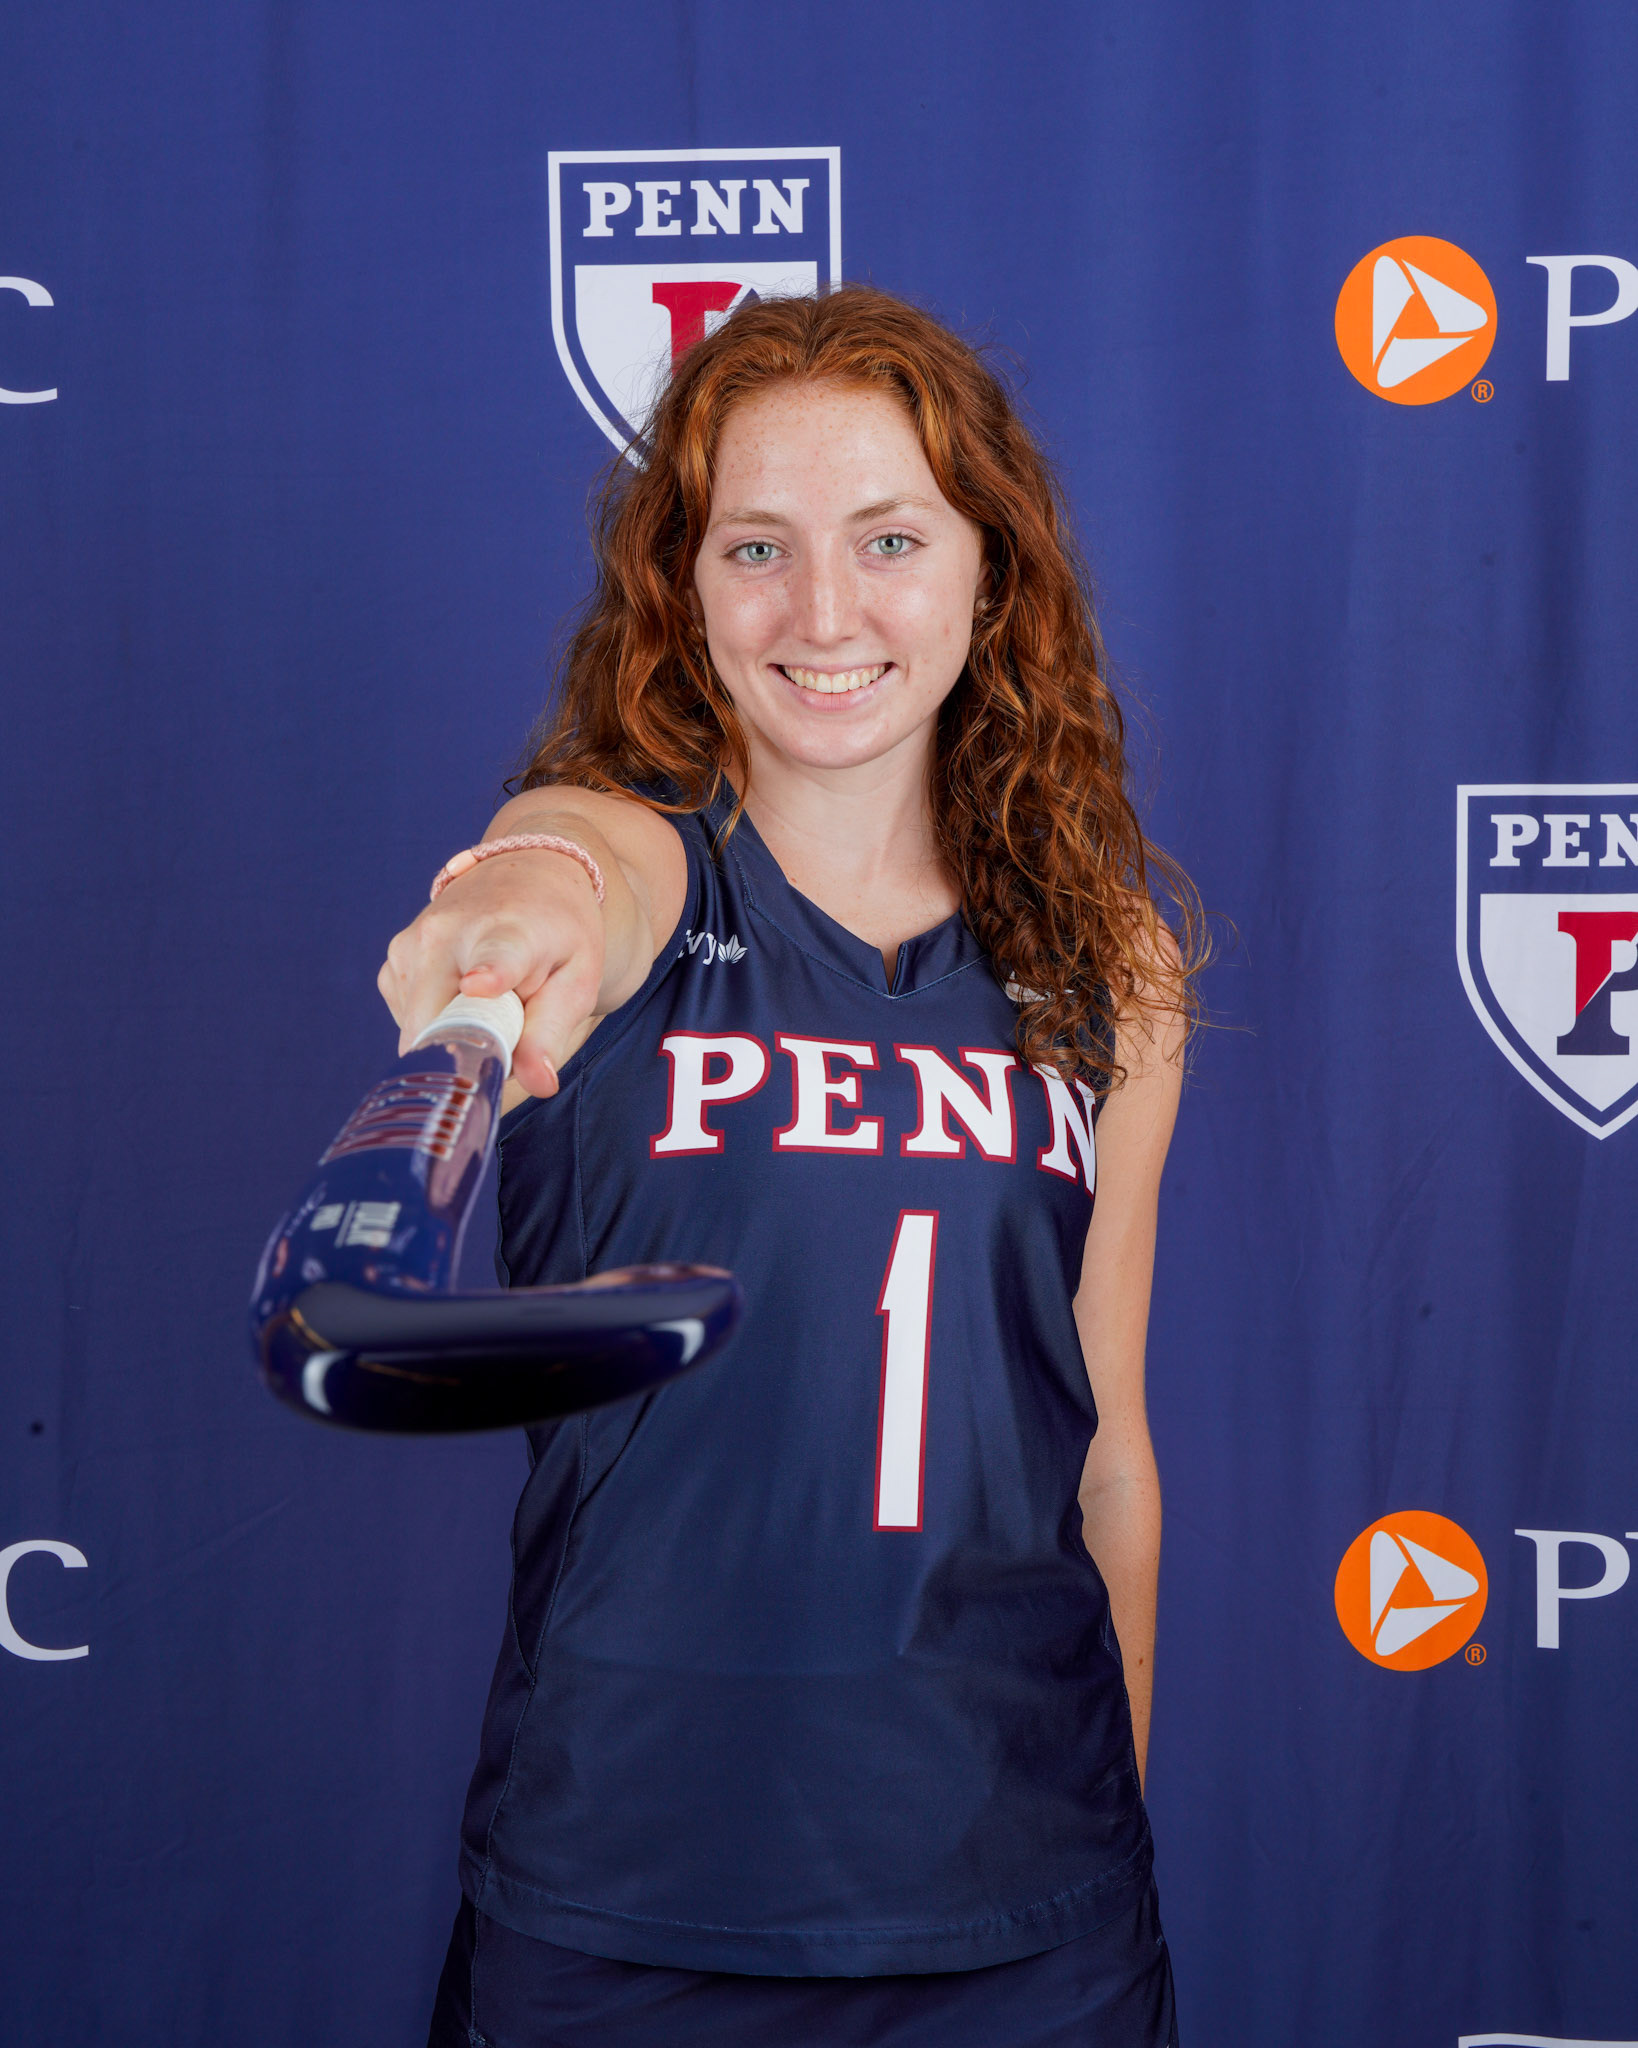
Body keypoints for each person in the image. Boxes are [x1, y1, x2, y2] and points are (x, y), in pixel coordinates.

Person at [383, 285, 1203, 2048]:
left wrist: (1099, 1826)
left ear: (989, 571)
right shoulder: (642, 877)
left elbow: (1105, 1444)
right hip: (627, 1890)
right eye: (757, 547)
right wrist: (507, 904)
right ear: (681, 588)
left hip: (1026, 1907)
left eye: (889, 539)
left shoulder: (1105, 959)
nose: (824, 612)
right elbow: (559, 860)